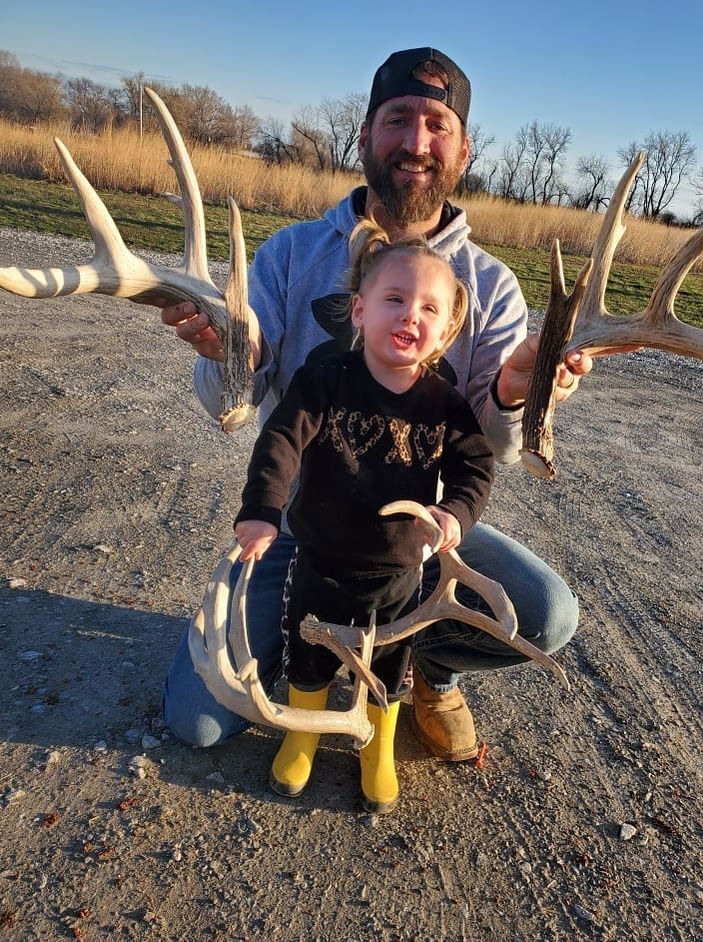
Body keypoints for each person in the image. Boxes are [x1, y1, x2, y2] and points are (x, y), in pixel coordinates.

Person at [160, 46, 588, 765]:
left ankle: (430, 668)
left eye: (436, 124)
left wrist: (517, 391)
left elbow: (496, 446)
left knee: (547, 615)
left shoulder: (491, 285)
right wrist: (227, 354)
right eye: (399, 120)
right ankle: (308, 652)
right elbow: (229, 401)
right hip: (304, 525)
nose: (416, 143)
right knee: (197, 720)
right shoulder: (292, 256)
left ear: (462, 147)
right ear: (365, 135)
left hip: (415, 538)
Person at [234, 216, 495, 811]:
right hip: (320, 559)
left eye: (430, 309)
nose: (410, 316)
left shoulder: (445, 404)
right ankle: (304, 729)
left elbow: (475, 469)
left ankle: (377, 746)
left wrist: (454, 514)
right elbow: (281, 442)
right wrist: (262, 511)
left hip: (400, 569)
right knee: (312, 650)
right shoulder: (325, 378)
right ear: (358, 311)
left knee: (391, 658)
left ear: (445, 332)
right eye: (394, 299)